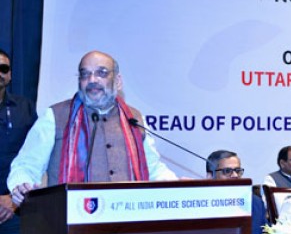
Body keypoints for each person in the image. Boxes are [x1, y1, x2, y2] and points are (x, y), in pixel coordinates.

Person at [8, 51, 176, 206]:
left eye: (101, 73)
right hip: (69, 217)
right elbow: (26, 165)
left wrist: (177, 187)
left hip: (128, 217)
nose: (92, 80)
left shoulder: (135, 118)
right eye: (85, 74)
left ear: (118, 81)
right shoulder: (55, 116)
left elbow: (152, 168)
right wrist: (21, 185)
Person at [0, 50, 36, 234]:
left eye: (3, 69)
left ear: (10, 75)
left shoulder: (24, 108)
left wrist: (11, 199)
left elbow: (33, 159)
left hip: (12, 208)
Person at [206, 150, 266, 234]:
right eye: (227, 171)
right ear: (210, 177)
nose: (235, 175)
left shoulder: (255, 202)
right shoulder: (202, 205)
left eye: (238, 171)